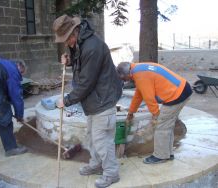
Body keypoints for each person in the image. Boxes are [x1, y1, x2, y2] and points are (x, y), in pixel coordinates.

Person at [53, 15, 122, 188]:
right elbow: (81, 63)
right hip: (94, 101)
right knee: (92, 136)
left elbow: (86, 82)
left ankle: (111, 173)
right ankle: (96, 164)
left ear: (74, 31)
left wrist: (67, 101)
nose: (67, 43)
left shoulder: (92, 46)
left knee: (102, 140)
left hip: (102, 100)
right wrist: (69, 61)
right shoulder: (81, 43)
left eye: (67, 39)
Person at [116, 61, 192, 164]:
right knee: (167, 125)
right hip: (183, 89)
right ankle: (167, 153)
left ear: (126, 74)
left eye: (124, 79)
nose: (125, 82)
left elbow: (148, 98)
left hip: (176, 95)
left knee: (161, 126)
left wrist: (156, 115)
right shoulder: (138, 69)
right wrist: (131, 112)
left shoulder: (140, 76)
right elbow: (138, 95)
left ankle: (160, 156)